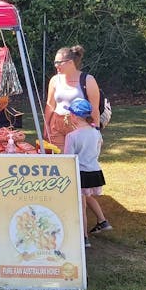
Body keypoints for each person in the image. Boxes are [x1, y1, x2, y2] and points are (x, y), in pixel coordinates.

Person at [62, 98, 110, 248]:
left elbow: (68, 158)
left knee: (81, 206)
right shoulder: (96, 133)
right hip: (94, 171)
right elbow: (97, 150)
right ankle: (102, 222)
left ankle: (83, 238)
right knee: (86, 198)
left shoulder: (72, 136)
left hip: (80, 173)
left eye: (70, 113)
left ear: (74, 116)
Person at [44, 45, 101, 148]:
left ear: (70, 62)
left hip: (79, 124)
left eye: (58, 62)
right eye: (55, 62)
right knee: (58, 159)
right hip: (56, 125)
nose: (56, 65)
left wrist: (96, 131)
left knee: (78, 159)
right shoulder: (55, 80)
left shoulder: (88, 80)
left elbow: (94, 109)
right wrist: (46, 125)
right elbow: (50, 105)